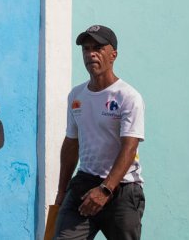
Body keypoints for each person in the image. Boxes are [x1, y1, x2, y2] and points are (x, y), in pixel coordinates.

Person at [53, 25, 146, 240]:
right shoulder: (76, 96)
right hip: (83, 185)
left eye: (98, 48)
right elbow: (71, 144)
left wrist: (105, 190)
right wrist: (61, 191)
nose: (90, 54)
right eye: (86, 49)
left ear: (113, 55)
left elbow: (129, 147)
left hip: (122, 189)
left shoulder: (128, 97)